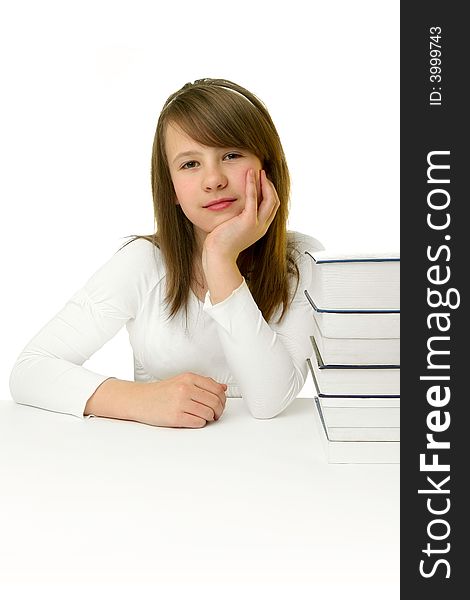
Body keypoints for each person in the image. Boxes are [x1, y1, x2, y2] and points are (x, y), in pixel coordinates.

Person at [9, 77, 323, 428]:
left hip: (272, 467)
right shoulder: (143, 262)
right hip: (158, 464)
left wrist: (220, 259)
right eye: (190, 164)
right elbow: (31, 369)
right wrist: (139, 399)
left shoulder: (301, 261)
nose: (213, 179)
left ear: (267, 167)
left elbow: (270, 401)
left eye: (231, 155)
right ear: (172, 189)